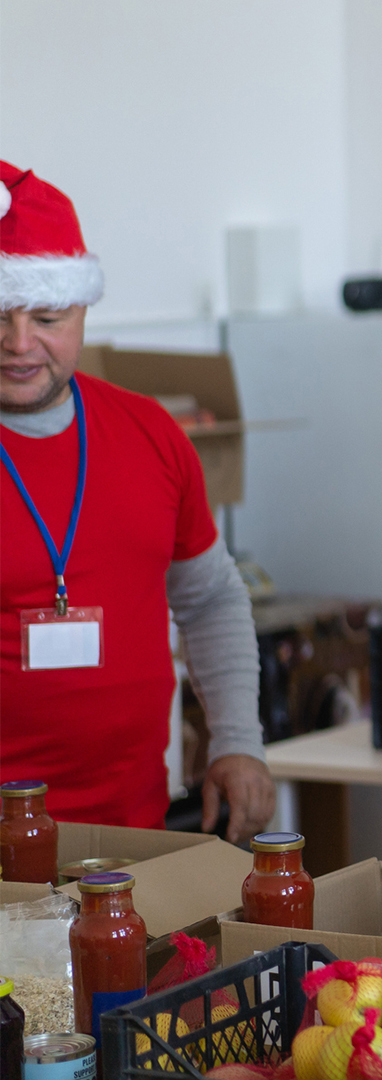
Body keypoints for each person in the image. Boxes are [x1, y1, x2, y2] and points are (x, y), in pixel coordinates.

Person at [0, 162, 271, 838]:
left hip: (135, 832)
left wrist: (237, 739)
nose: (19, 343)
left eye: (47, 315)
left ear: (84, 309)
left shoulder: (150, 432)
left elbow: (209, 598)